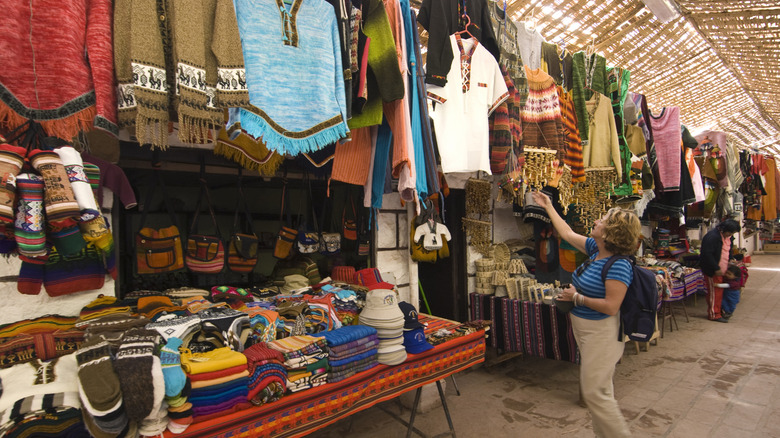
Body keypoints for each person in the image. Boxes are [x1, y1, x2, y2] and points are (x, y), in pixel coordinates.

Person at [532, 190, 640, 438]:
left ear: (611, 232)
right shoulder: (595, 250)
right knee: (601, 391)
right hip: (586, 330)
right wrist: (548, 206)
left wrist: (576, 298)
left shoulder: (619, 265)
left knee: (594, 393)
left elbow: (611, 306)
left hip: (602, 334)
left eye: (601, 221)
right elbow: (567, 233)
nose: (596, 221)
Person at [699, 219, 740, 322]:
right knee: (714, 293)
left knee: (720, 293)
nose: (731, 234)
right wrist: (716, 268)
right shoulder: (712, 237)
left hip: (723, 270)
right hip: (713, 271)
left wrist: (730, 259)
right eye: (730, 232)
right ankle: (714, 314)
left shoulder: (727, 237)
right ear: (724, 229)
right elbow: (707, 254)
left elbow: (728, 249)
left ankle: (719, 311)